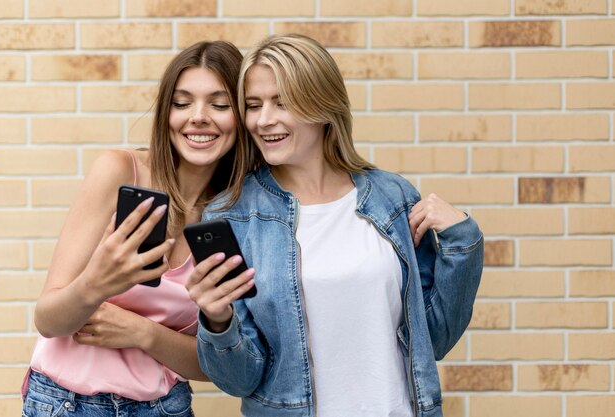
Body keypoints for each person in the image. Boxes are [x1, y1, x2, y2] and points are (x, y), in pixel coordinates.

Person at [186, 34, 484, 417]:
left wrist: (463, 242)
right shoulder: (232, 217)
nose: (263, 120)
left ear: (323, 105)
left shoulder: (392, 197)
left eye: (282, 102)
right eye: (253, 105)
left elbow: (434, 338)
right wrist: (217, 319)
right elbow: (239, 380)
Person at [22, 40, 248, 417]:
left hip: (164, 407)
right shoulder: (119, 171)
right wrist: (99, 281)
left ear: (241, 115)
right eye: (181, 103)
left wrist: (142, 333)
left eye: (220, 104)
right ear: (166, 113)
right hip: (66, 402)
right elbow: (48, 321)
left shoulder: (238, 214)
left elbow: (214, 365)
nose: (198, 117)